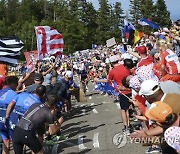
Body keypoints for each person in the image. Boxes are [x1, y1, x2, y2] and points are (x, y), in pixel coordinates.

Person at [108, 55, 134, 135]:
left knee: (124, 110)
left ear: (111, 63)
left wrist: (116, 88)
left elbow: (110, 81)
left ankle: (126, 127)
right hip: (131, 89)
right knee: (134, 107)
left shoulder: (112, 71)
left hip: (122, 92)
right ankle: (129, 125)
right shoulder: (125, 67)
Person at [0, 76, 19, 154]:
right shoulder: (14, 95)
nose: (17, 85)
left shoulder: (0, 92)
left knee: (6, 142)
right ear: (12, 83)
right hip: (10, 122)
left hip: (1, 121)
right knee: (16, 144)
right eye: (16, 83)